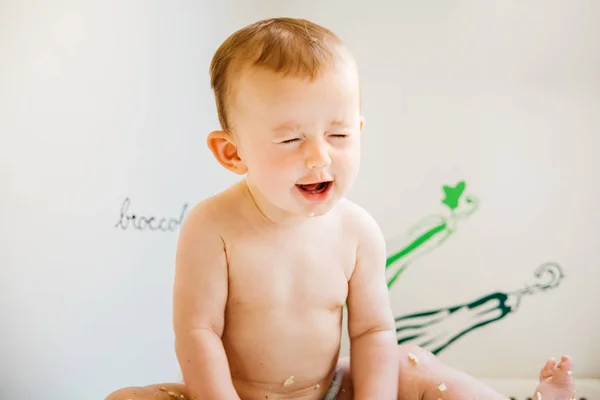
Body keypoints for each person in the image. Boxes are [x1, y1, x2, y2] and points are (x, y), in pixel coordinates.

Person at [105, 17, 576, 400]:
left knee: (417, 367)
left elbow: (371, 331)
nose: (319, 156)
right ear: (233, 153)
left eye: (339, 135)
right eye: (291, 139)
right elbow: (198, 331)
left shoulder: (356, 230)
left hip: (332, 390)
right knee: (127, 399)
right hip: (233, 393)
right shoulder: (213, 227)